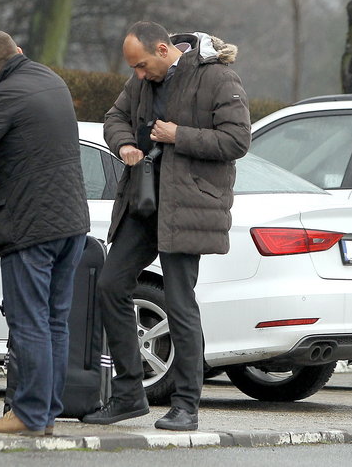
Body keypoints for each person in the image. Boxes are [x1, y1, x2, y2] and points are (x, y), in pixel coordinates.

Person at [82, 21, 250, 431]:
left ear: (162, 50)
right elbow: (114, 116)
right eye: (134, 69)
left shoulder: (217, 77)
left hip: (187, 206)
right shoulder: (141, 81)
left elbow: (237, 140)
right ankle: (128, 396)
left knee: (179, 301)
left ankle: (187, 405)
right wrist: (122, 143)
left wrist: (179, 135)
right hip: (142, 203)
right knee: (110, 285)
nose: (138, 75)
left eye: (141, 66)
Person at [0, 31, 90, 437]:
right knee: (55, 321)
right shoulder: (52, 81)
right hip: (72, 223)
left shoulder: (2, 95)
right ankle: (45, 414)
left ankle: (27, 413)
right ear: (20, 52)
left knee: (29, 323)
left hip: (30, 227)